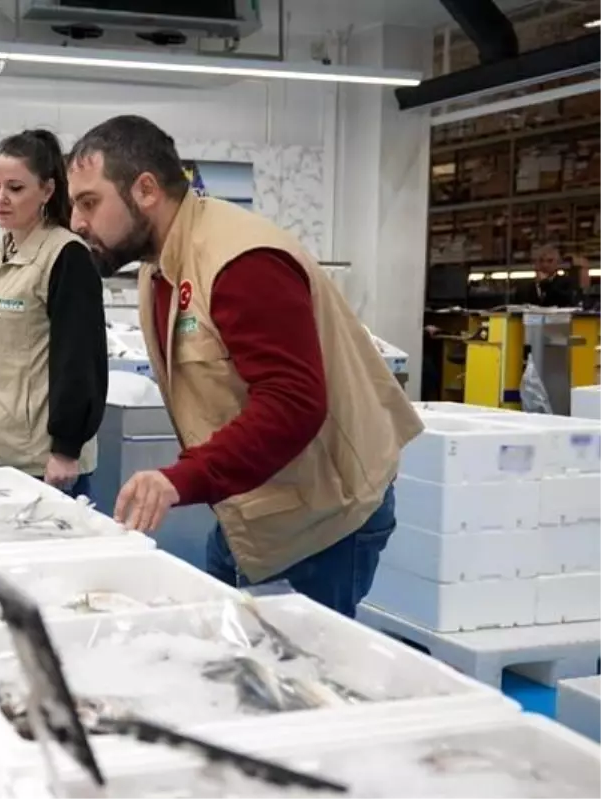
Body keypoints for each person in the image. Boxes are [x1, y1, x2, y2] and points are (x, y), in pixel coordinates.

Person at [64, 115, 424, 617]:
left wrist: (179, 479)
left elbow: (293, 403)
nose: (78, 222)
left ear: (145, 189)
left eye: (88, 202)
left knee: (296, 682)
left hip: (323, 521)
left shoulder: (241, 262)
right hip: (253, 512)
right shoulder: (159, 268)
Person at [0, 129, 108, 498]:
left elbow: (81, 360)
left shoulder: (66, 256)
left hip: (43, 465)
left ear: (48, 191)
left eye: (15, 188)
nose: (0, 199)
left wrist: (66, 449)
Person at [511, 243, 589, 307]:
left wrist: (546, 284)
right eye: (541, 260)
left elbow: (567, 302)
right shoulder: (523, 288)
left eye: (550, 261)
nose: (545, 265)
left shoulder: (567, 284)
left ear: (557, 263)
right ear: (535, 263)